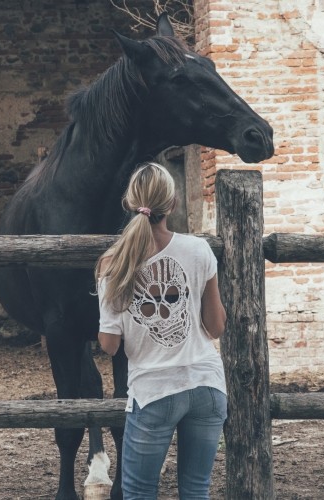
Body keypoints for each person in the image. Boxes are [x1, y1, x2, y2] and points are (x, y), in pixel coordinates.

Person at [95, 162, 227, 499]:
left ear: (129, 203)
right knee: (196, 491)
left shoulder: (112, 263)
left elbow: (109, 345)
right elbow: (215, 327)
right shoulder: (198, 249)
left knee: (139, 492)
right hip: (207, 385)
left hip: (155, 390)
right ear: (173, 204)